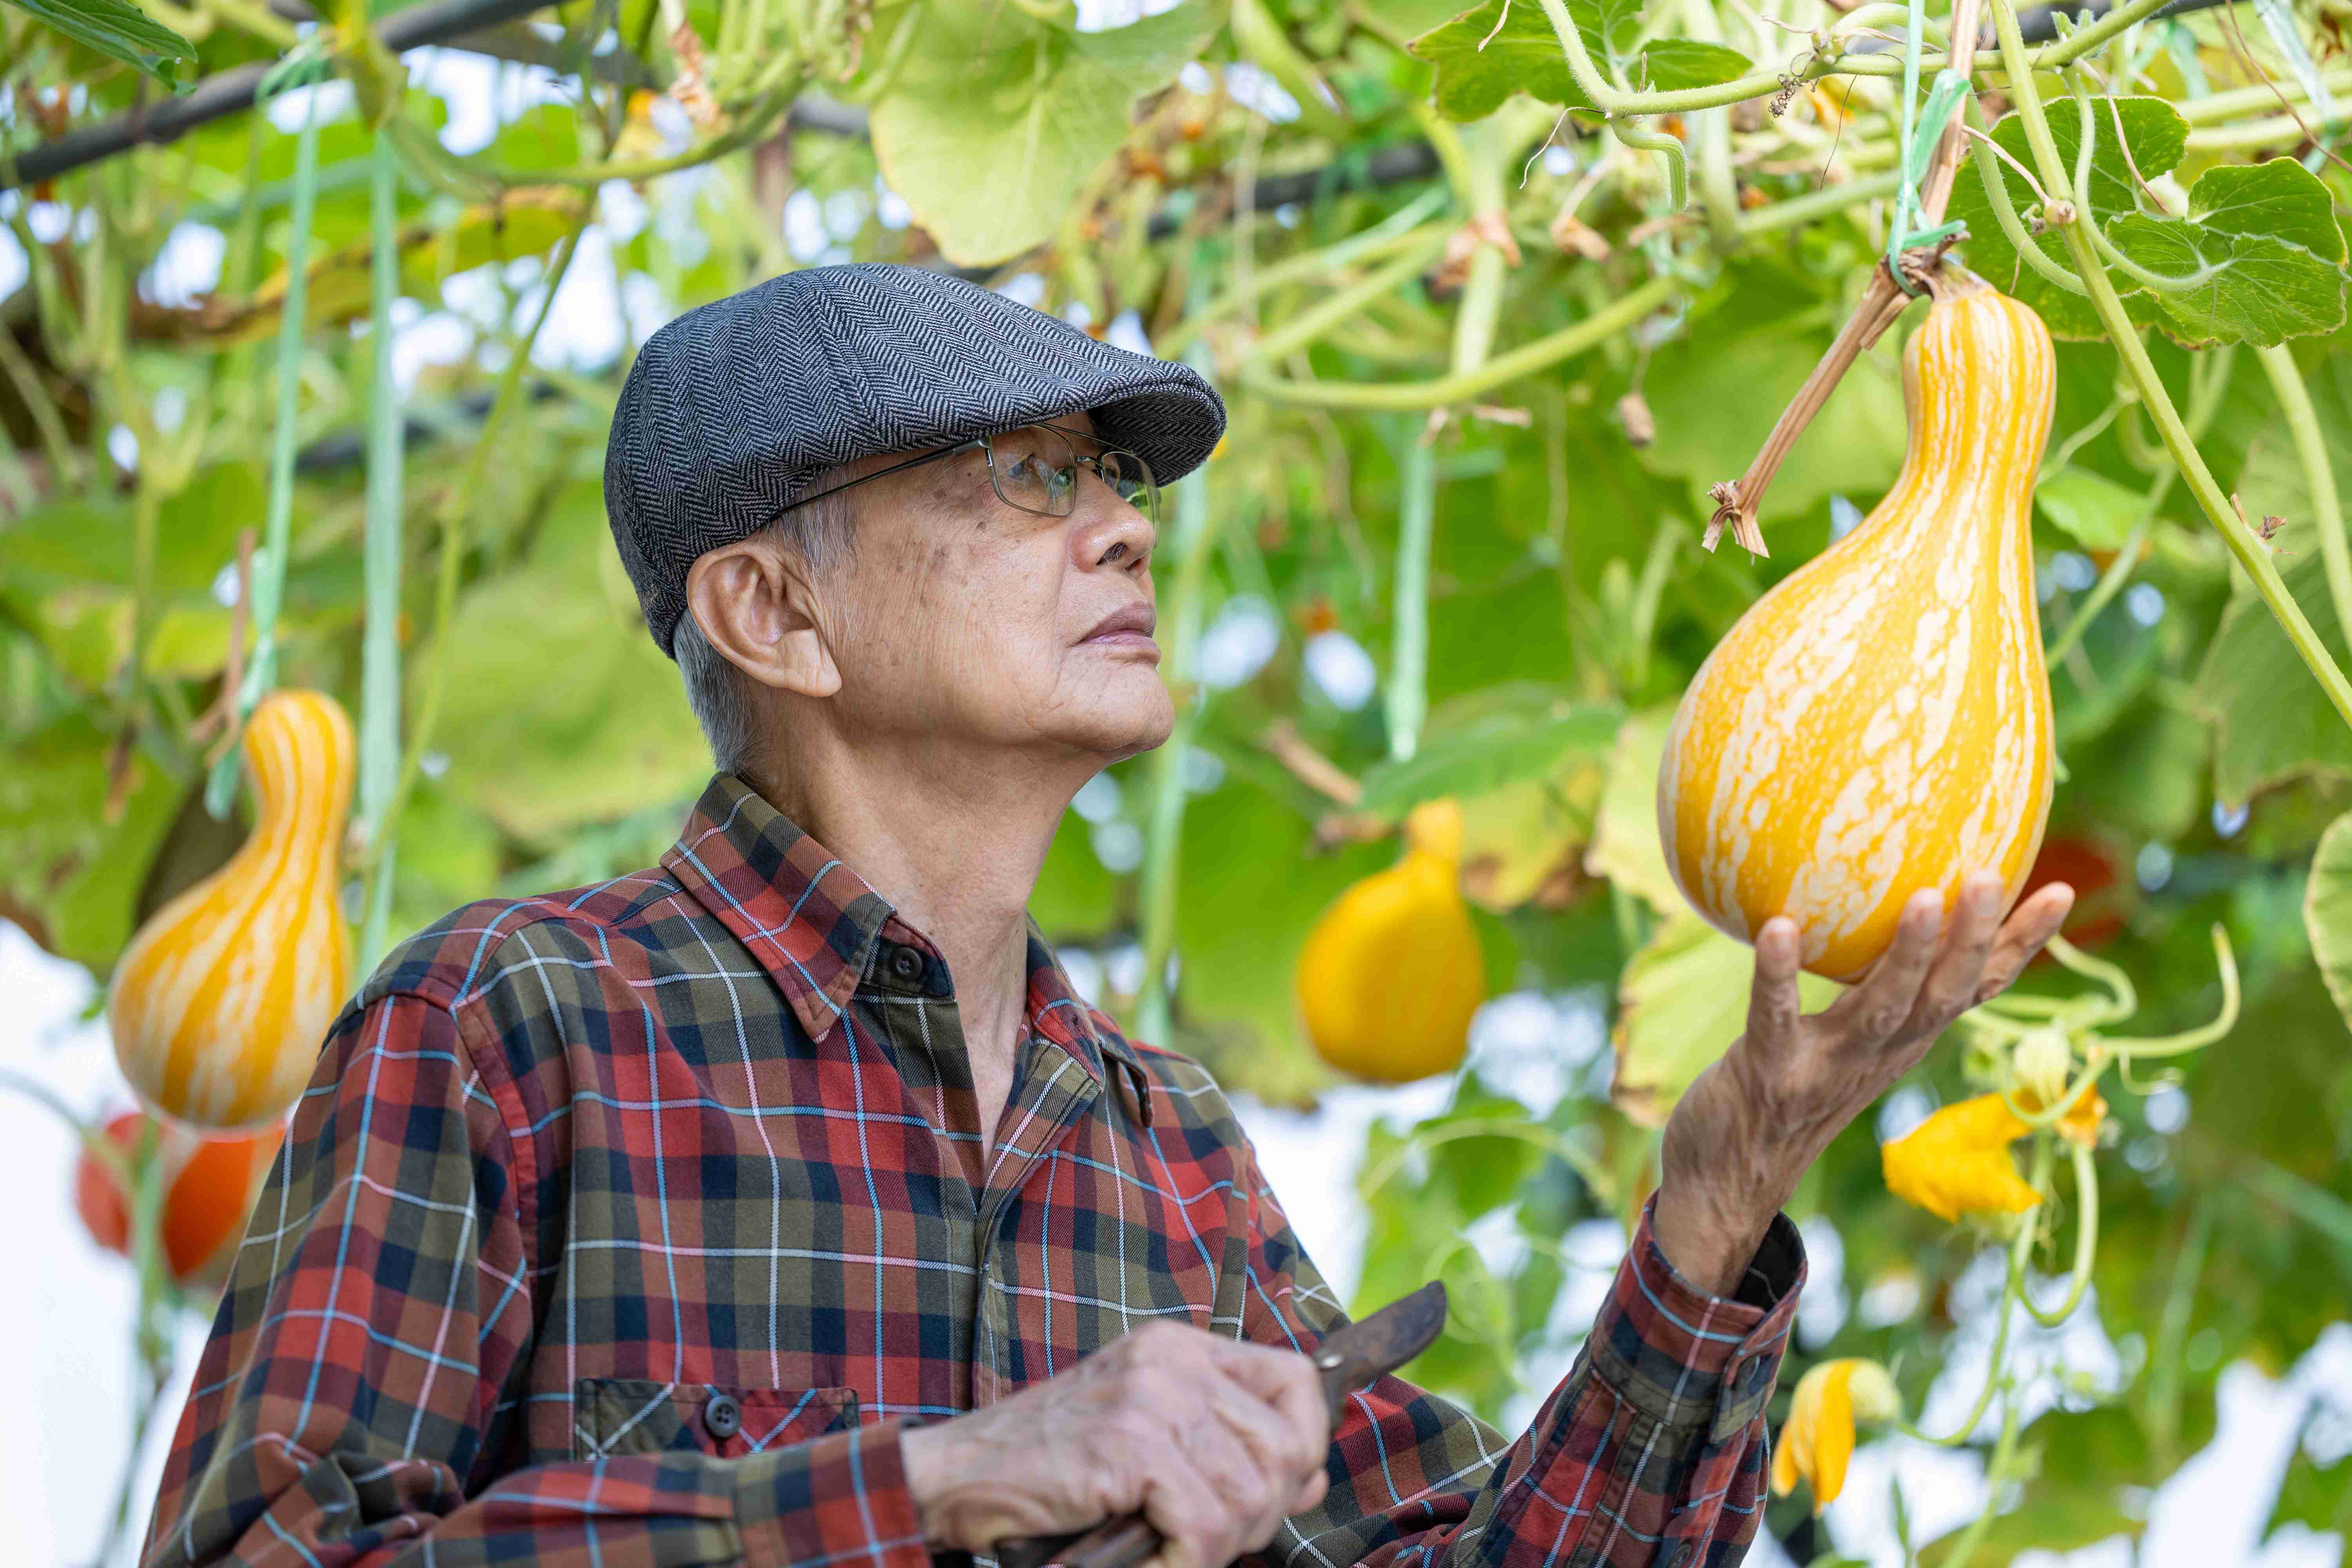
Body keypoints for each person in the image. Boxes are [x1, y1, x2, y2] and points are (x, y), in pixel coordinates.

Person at [145, 263, 2073, 1568]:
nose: (1127, 525)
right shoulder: (517, 1022)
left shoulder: (1167, 1145)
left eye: (1118, 479)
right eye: (1025, 478)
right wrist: (953, 1478)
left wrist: (1720, 1209)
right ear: (773, 614)